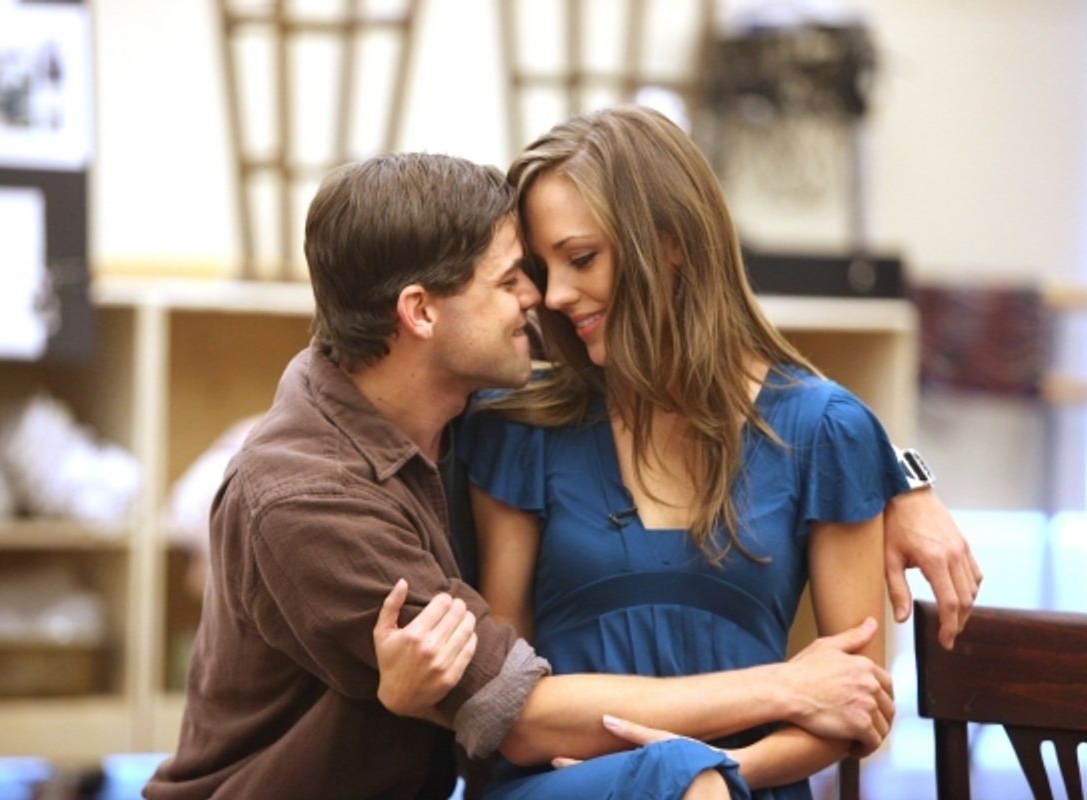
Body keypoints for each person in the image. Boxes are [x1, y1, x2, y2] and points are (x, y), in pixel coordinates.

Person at [144, 152, 905, 800]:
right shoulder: (314, 499)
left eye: (564, 265)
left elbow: (747, 390)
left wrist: (902, 484)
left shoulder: (459, 404)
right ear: (420, 313)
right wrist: (786, 686)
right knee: (683, 785)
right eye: (514, 278)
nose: (541, 298)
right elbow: (520, 713)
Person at [372, 107, 982, 799]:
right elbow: (513, 714)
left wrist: (717, 770)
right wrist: (697, 759)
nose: (556, 296)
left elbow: (856, 705)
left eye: (581, 258)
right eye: (543, 268)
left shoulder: (827, 431)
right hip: (563, 784)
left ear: (672, 243)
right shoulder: (519, 427)